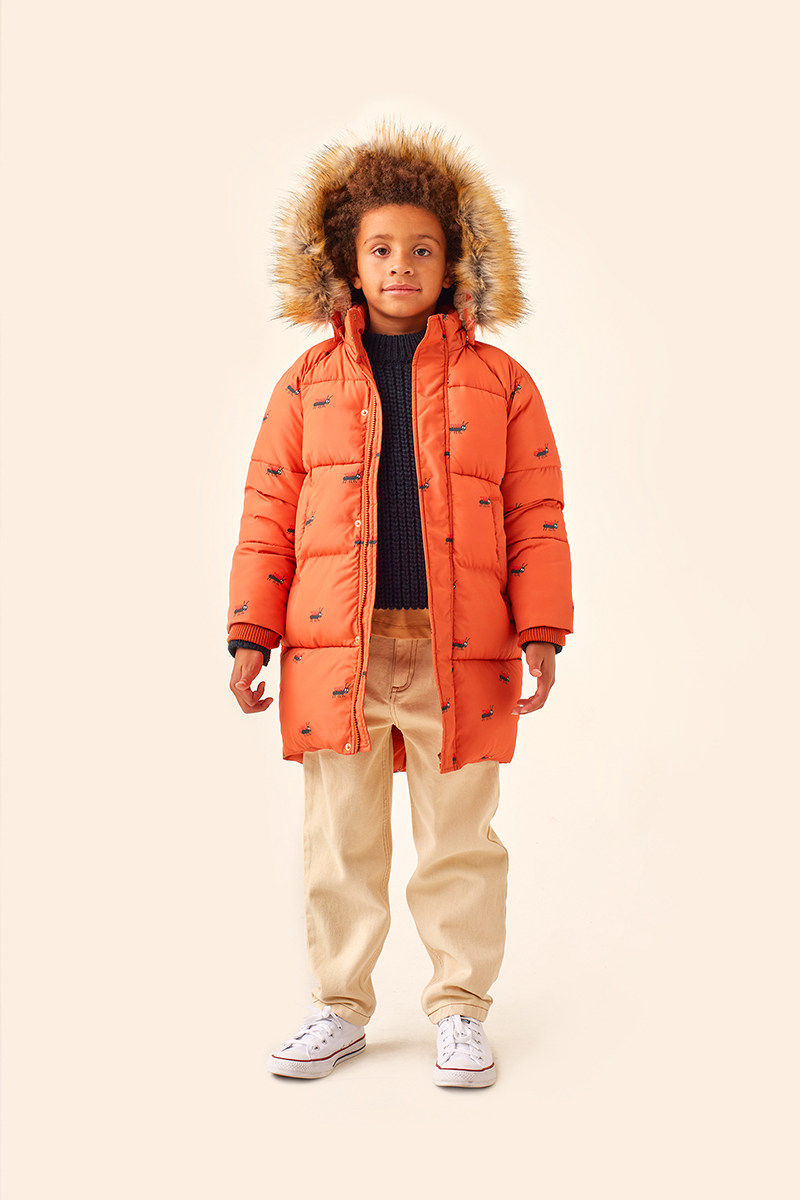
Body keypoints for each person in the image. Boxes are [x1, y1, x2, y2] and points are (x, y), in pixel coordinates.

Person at [226, 119, 574, 1087]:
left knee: (458, 839)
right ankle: (338, 1005)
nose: (400, 266)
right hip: (334, 648)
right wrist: (250, 632)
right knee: (340, 839)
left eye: (422, 249)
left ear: (454, 261)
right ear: (346, 261)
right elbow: (267, 512)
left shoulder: (501, 383)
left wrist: (541, 629)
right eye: (380, 249)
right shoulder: (306, 384)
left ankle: (459, 1007)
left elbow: (535, 510)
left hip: (462, 648)